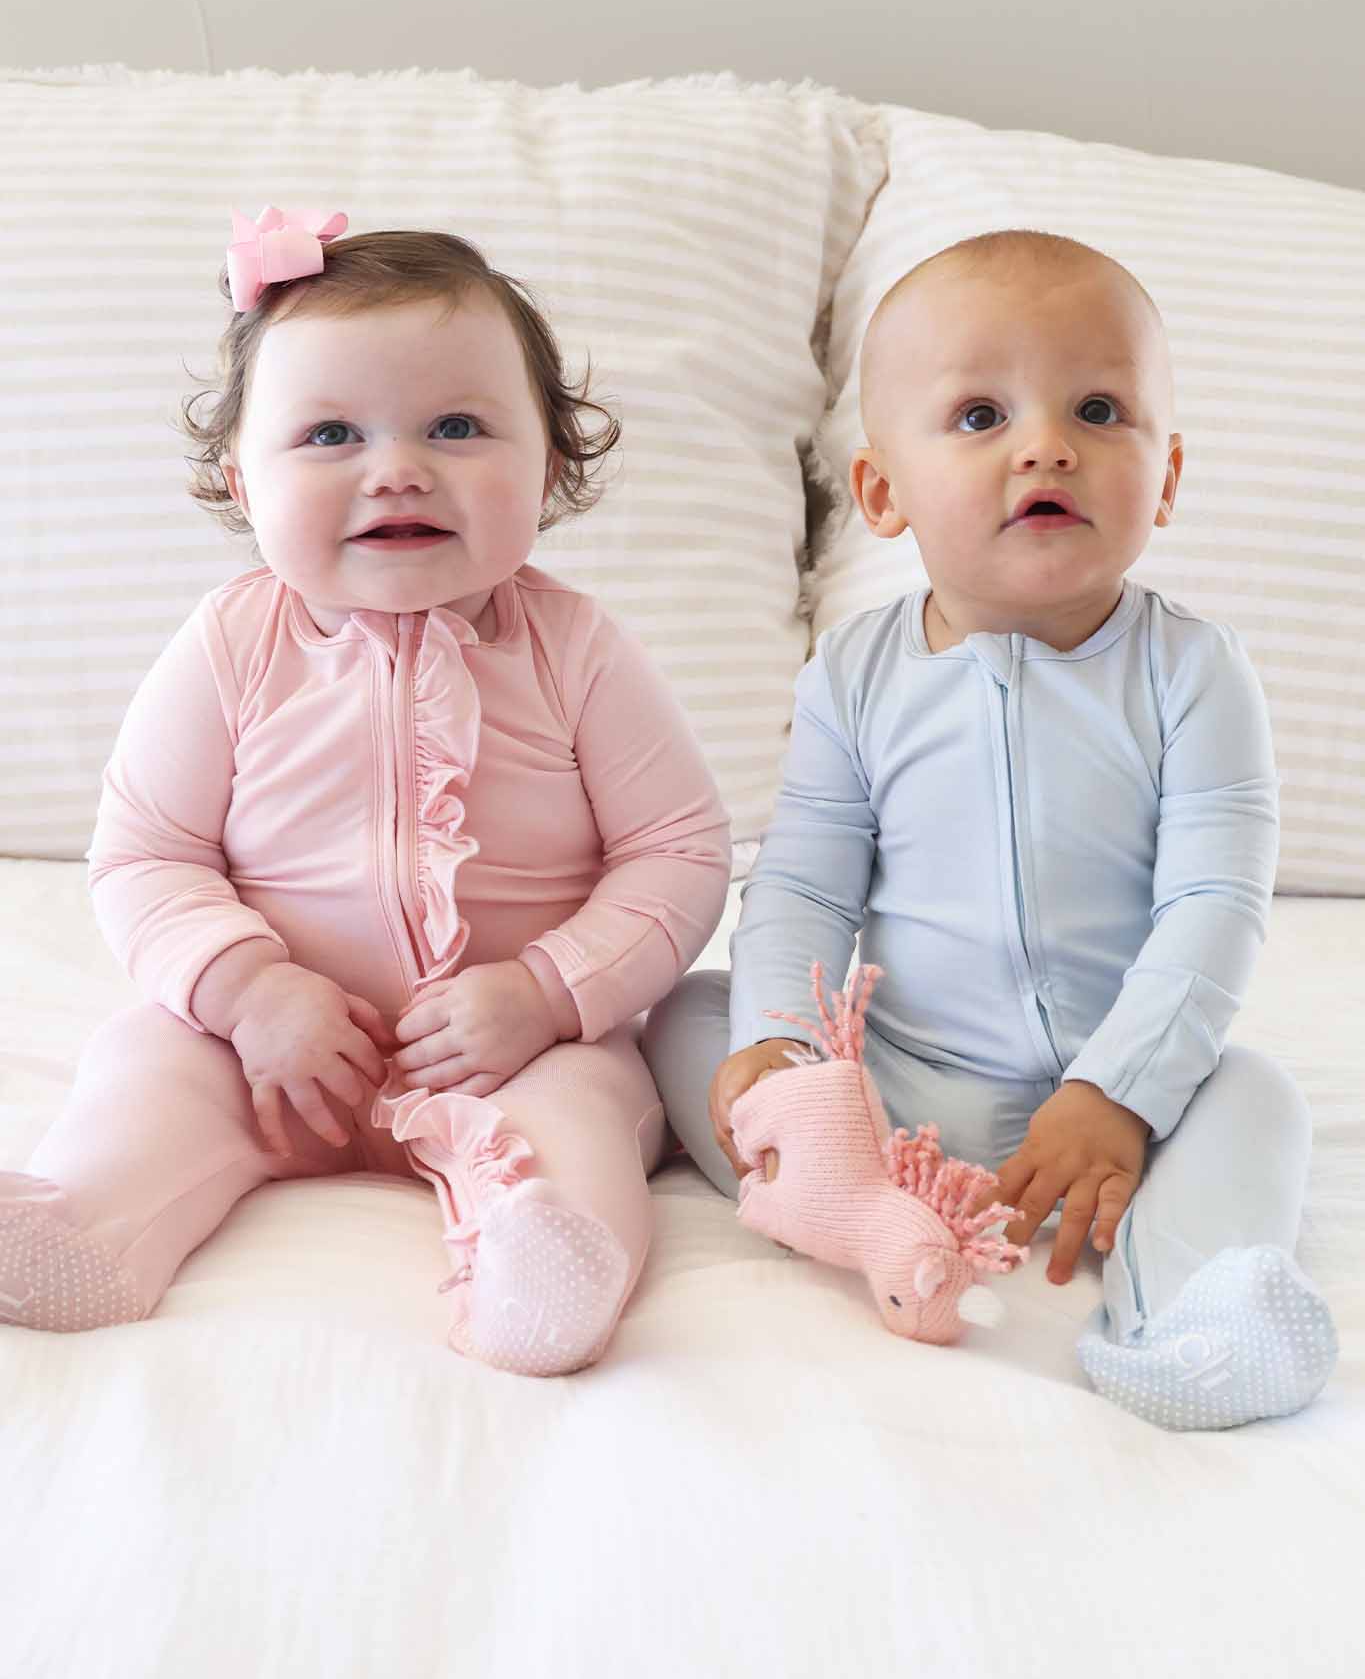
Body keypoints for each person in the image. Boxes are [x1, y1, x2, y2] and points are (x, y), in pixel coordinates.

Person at [0, 210, 731, 1377]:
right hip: (268, 1050)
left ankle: (545, 1264)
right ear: (243, 477)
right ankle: (79, 1228)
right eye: (332, 431)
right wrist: (247, 994)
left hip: (511, 1049)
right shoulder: (234, 641)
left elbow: (680, 850)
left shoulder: (575, 649)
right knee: (147, 1066)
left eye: (457, 425)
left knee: (585, 1115)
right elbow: (146, 853)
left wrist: (549, 992)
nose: (399, 466)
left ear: (551, 463)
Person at [643, 228, 1338, 1431]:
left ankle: (1184, 1318)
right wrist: (785, 1050)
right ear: (881, 493)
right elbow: (803, 883)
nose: (1046, 443)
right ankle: (865, 1209)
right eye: (979, 416)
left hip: (1124, 1093)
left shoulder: (1193, 674)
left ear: (1166, 475)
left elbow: (1214, 905)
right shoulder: (855, 673)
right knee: (690, 1019)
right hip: (899, 1080)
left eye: (1100, 407)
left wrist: (1118, 1088)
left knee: (1262, 1098)